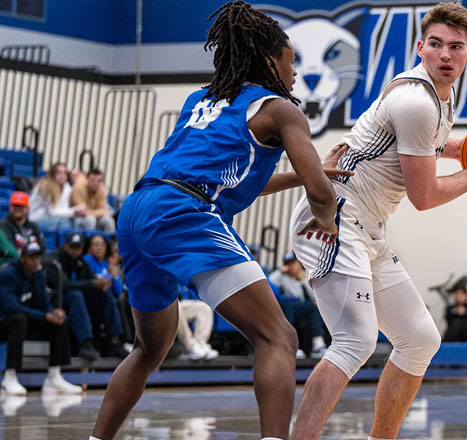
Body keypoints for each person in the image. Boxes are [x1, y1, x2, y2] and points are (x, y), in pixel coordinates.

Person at [90, 2, 350, 439]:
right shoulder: (281, 110)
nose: (295, 75)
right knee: (279, 338)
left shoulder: (202, 99)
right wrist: (327, 222)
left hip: (139, 208)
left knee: (149, 347)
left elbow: (229, 182)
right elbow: (321, 194)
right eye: (290, 62)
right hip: (183, 214)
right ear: (269, 61)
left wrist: (304, 174)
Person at [288, 3, 467, 439]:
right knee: (355, 340)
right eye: (436, 44)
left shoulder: (440, 96)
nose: (445, 55)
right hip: (332, 219)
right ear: (420, 47)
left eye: (455, 47)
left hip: (366, 226)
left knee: (420, 339)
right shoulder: (417, 102)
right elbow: (424, 197)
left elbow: (424, 143)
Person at [0, 242, 83, 395]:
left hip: (26, 322)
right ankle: (9, 377)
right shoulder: (8, 273)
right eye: (31, 258)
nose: (35, 261)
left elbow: (44, 305)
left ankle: (54, 377)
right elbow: (10, 307)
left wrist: (54, 312)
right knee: (18, 319)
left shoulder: (38, 274)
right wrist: (45, 315)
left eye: (37, 258)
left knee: (59, 322)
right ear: (22, 258)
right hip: (5, 323)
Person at [47, 233, 127, 359]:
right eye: (72, 247)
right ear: (65, 246)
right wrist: (93, 283)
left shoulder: (80, 260)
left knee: (105, 294)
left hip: (74, 301)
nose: (75, 250)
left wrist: (102, 284)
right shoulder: (54, 260)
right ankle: (85, 344)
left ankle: (115, 342)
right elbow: (63, 285)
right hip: (54, 301)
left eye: (78, 247)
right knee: (76, 295)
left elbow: (91, 279)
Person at [269, 252, 328, 359]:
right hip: (289, 307)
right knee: (287, 304)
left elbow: (314, 295)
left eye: (293, 263)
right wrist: (280, 271)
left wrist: (304, 280)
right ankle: (290, 346)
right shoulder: (282, 277)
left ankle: (318, 346)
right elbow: (269, 283)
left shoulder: (305, 275)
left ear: (299, 263)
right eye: (288, 264)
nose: (291, 266)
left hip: (303, 307)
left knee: (314, 307)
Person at [29, 162, 88, 229]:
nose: (62, 175)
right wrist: (74, 211)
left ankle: (76, 236)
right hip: (36, 220)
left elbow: (64, 209)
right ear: (52, 175)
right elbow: (52, 212)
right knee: (63, 221)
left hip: (52, 219)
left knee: (75, 220)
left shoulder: (67, 188)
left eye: (65, 173)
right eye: (59, 172)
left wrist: (78, 210)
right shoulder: (45, 186)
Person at [176, 285, 219, 360]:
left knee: (204, 308)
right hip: (157, 311)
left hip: (171, 304)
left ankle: (200, 344)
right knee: (176, 308)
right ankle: (190, 347)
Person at [71, 169, 116, 233]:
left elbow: (102, 209)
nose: (96, 183)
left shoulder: (101, 189)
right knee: (90, 220)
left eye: (99, 181)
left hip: (95, 217)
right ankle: (90, 239)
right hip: (76, 218)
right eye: (92, 180)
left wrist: (99, 212)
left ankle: (111, 239)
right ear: (87, 179)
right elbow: (82, 212)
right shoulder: (78, 188)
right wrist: (100, 212)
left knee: (108, 221)